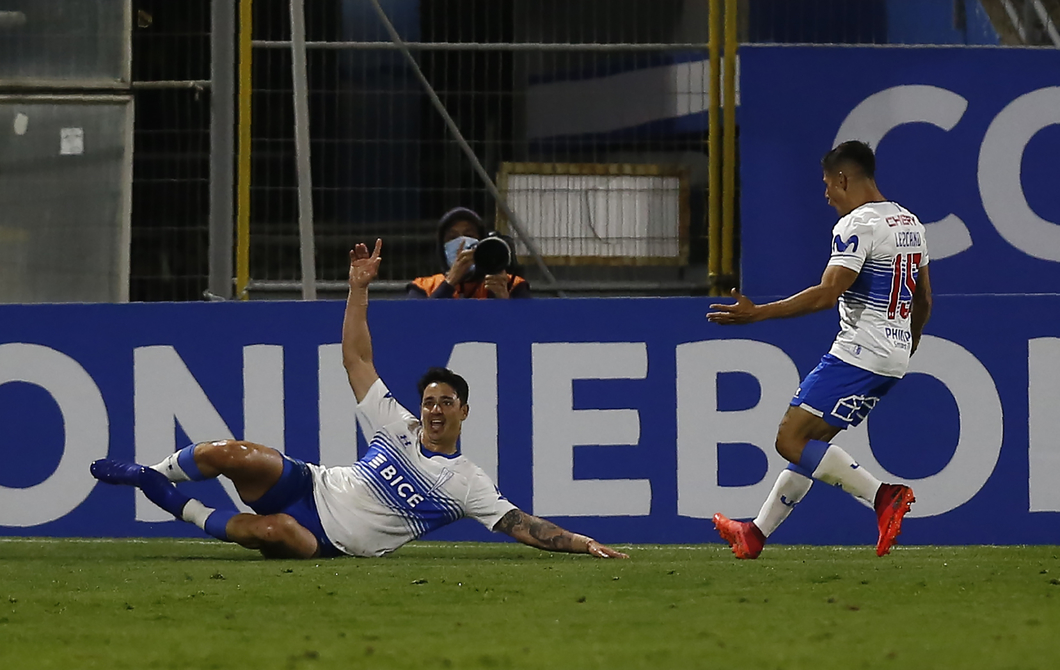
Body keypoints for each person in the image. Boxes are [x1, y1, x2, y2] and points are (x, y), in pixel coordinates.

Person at [91, 239, 623, 560]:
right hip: (311, 482)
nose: (434, 410)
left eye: (445, 403)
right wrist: (359, 288)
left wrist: (581, 543)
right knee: (231, 454)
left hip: (328, 540)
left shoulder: (468, 483)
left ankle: (178, 506)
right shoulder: (396, 426)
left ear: (464, 411)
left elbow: (523, 526)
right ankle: (149, 473)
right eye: (429, 402)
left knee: (273, 531)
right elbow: (356, 360)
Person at [707, 140, 932, 559]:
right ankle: (756, 533)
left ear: (844, 178)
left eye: (828, 184)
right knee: (811, 445)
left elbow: (828, 294)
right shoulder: (910, 223)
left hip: (859, 351)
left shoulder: (857, 225)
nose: (826, 194)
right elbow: (924, 301)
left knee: (789, 439)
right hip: (892, 354)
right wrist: (904, 348)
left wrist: (759, 314)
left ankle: (884, 496)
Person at [406, 207, 530, 299]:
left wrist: (503, 298)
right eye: (452, 237)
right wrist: (449, 283)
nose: (462, 243)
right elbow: (416, 326)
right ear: (441, 247)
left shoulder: (512, 284)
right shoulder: (423, 287)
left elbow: (528, 329)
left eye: (469, 235)